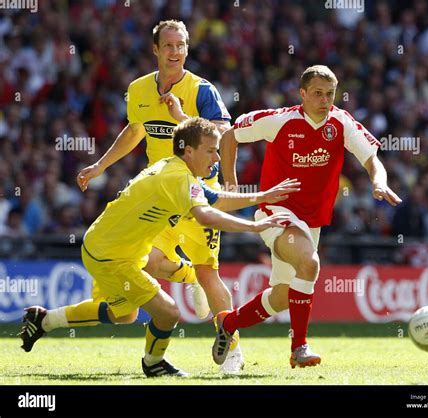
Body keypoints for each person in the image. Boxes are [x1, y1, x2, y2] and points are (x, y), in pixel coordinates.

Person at [20, 117, 299, 377]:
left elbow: (215, 199)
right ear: (188, 151)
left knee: (123, 314)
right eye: (211, 151)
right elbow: (206, 215)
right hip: (111, 255)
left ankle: (43, 320)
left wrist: (262, 196)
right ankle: (154, 364)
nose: (216, 159)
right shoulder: (178, 179)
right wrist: (254, 227)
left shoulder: (174, 168)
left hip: (108, 246)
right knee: (168, 312)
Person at [74, 20, 242, 373]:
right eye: (169, 45)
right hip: (159, 196)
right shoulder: (138, 90)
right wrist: (101, 166)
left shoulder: (202, 90)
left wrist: (228, 178)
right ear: (156, 49)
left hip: (197, 191)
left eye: (181, 45)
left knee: (209, 273)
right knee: (146, 261)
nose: (176, 52)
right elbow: (135, 131)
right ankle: (187, 279)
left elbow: (225, 136)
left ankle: (232, 351)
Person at [214, 65, 402, 368]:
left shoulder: (341, 123)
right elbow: (230, 135)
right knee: (310, 263)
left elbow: (371, 158)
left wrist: (379, 182)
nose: (325, 100)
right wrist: (230, 182)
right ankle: (299, 348)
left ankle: (228, 323)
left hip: (311, 221)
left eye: (330, 94)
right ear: (302, 94)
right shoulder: (280, 120)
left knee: (281, 296)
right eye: (317, 93)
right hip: (276, 211)